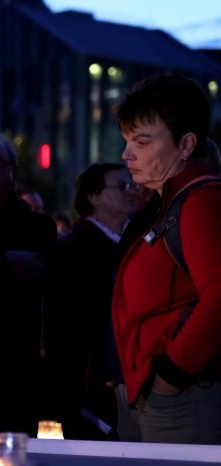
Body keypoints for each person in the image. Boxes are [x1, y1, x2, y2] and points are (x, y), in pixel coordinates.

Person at [111, 74, 221, 444]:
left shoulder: (201, 200)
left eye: (141, 141)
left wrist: (169, 376)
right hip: (155, 393)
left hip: (182, 395)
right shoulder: (172, 204)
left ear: (186, 144)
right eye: (127, 141)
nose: (127, 154)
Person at [0, 131, 57, 434]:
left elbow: (36, 271)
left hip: (16, 365)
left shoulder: (36, 225)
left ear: (12, 171)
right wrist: (4, 260)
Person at [45, 163, 141, 441]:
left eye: (132, 185)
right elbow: (60, 329)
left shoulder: (131, 243)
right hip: (90, 388)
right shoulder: (71, 251)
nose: (131, 191)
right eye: (121, 186)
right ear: (93, 196)